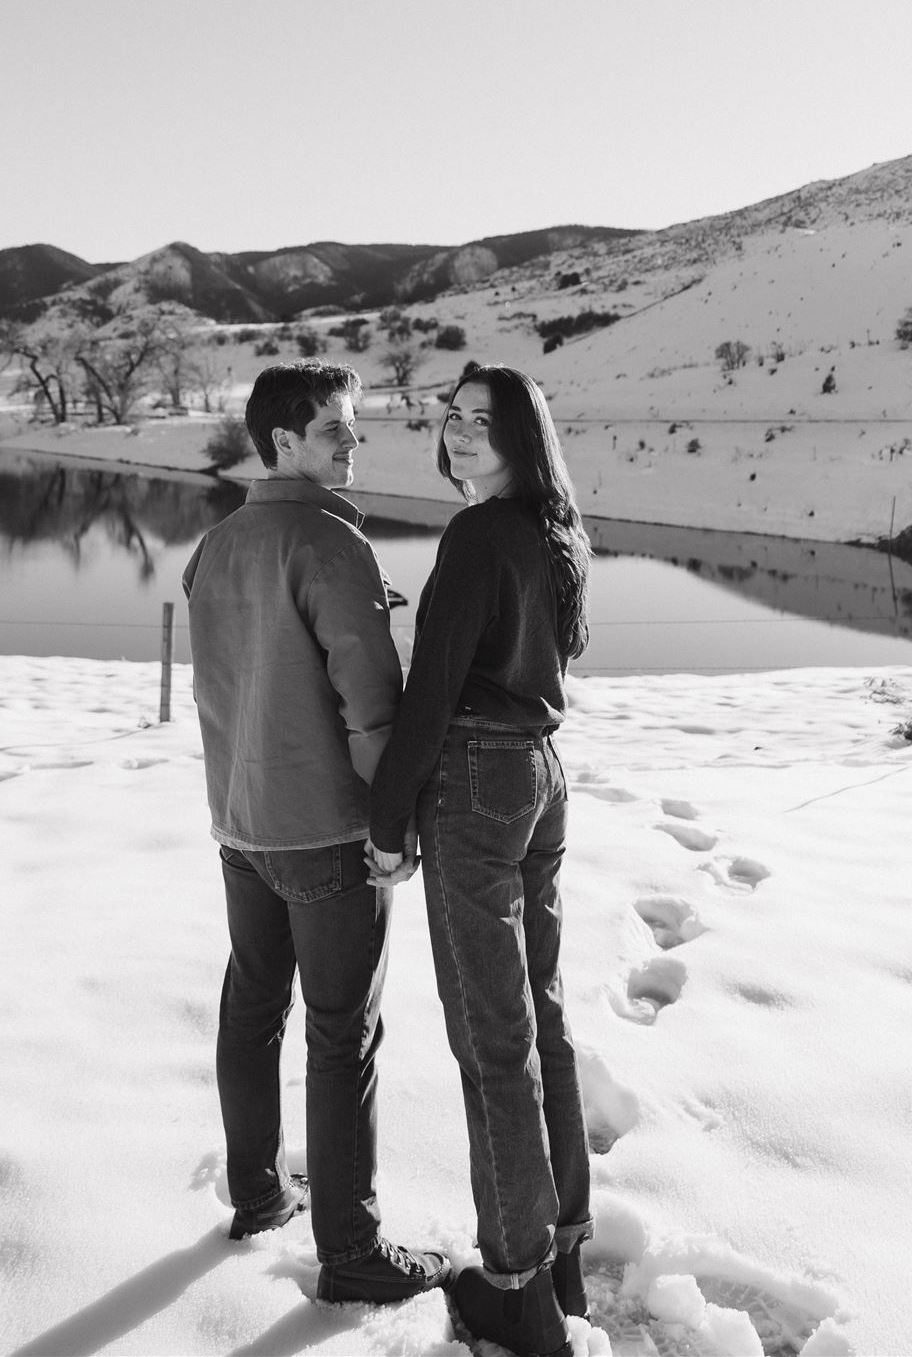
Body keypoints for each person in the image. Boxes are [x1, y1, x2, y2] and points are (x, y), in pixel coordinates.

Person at [182, 360, 450, 1307]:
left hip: (241, 826)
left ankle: (258, 1194)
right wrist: (391, 825)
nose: (353, 444)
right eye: (336, 429)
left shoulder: (217, 544)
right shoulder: (333, 547)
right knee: (343, 1037)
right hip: (329, 835)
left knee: (253, 1011)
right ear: (283, 441)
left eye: (353, 428)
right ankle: (352, 1251)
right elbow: (372, 709)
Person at [366, 362, 593, 1357]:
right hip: (543, 773)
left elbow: (434, 688)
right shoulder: (553, 527)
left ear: (522, 431)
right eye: (450, 418)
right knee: (540, 1010)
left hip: (478, 785)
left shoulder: (476, 534)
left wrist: (388, 815)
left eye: (481, 421)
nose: (459, 434)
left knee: (493, 1038)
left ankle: (517, 1290)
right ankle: (564, 1247)